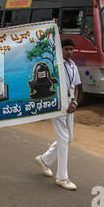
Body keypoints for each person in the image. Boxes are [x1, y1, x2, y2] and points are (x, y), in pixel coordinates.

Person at [34, 38, 81, 190]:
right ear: (61, 50)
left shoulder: (73, 65)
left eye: (71, 49)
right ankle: (62, 177)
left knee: (69, 138)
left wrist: (74, 102)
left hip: (70, 101)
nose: (69, 51)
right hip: (58, 102)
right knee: (63, 138)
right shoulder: (56, 64)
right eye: (66, 49)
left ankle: (45, 159)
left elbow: (77, 86)